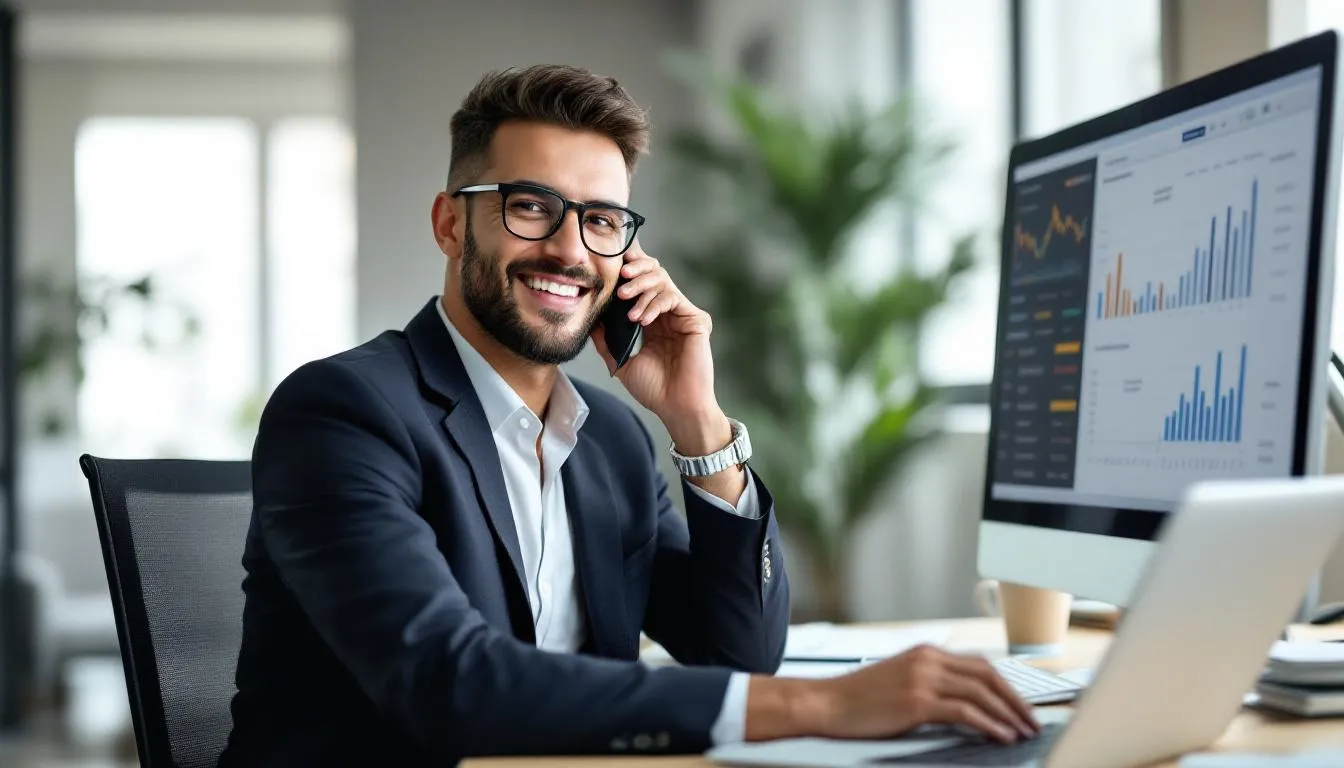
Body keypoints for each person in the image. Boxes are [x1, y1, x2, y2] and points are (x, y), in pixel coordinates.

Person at [218, 64, 1039, 766]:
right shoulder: (345, 413)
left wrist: (697, 420)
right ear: (449, 223)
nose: (571, 250)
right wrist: (825, 705)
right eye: (531, 206)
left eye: (602, 221)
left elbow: (739, 653)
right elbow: (448, 683)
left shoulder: (608, 441)